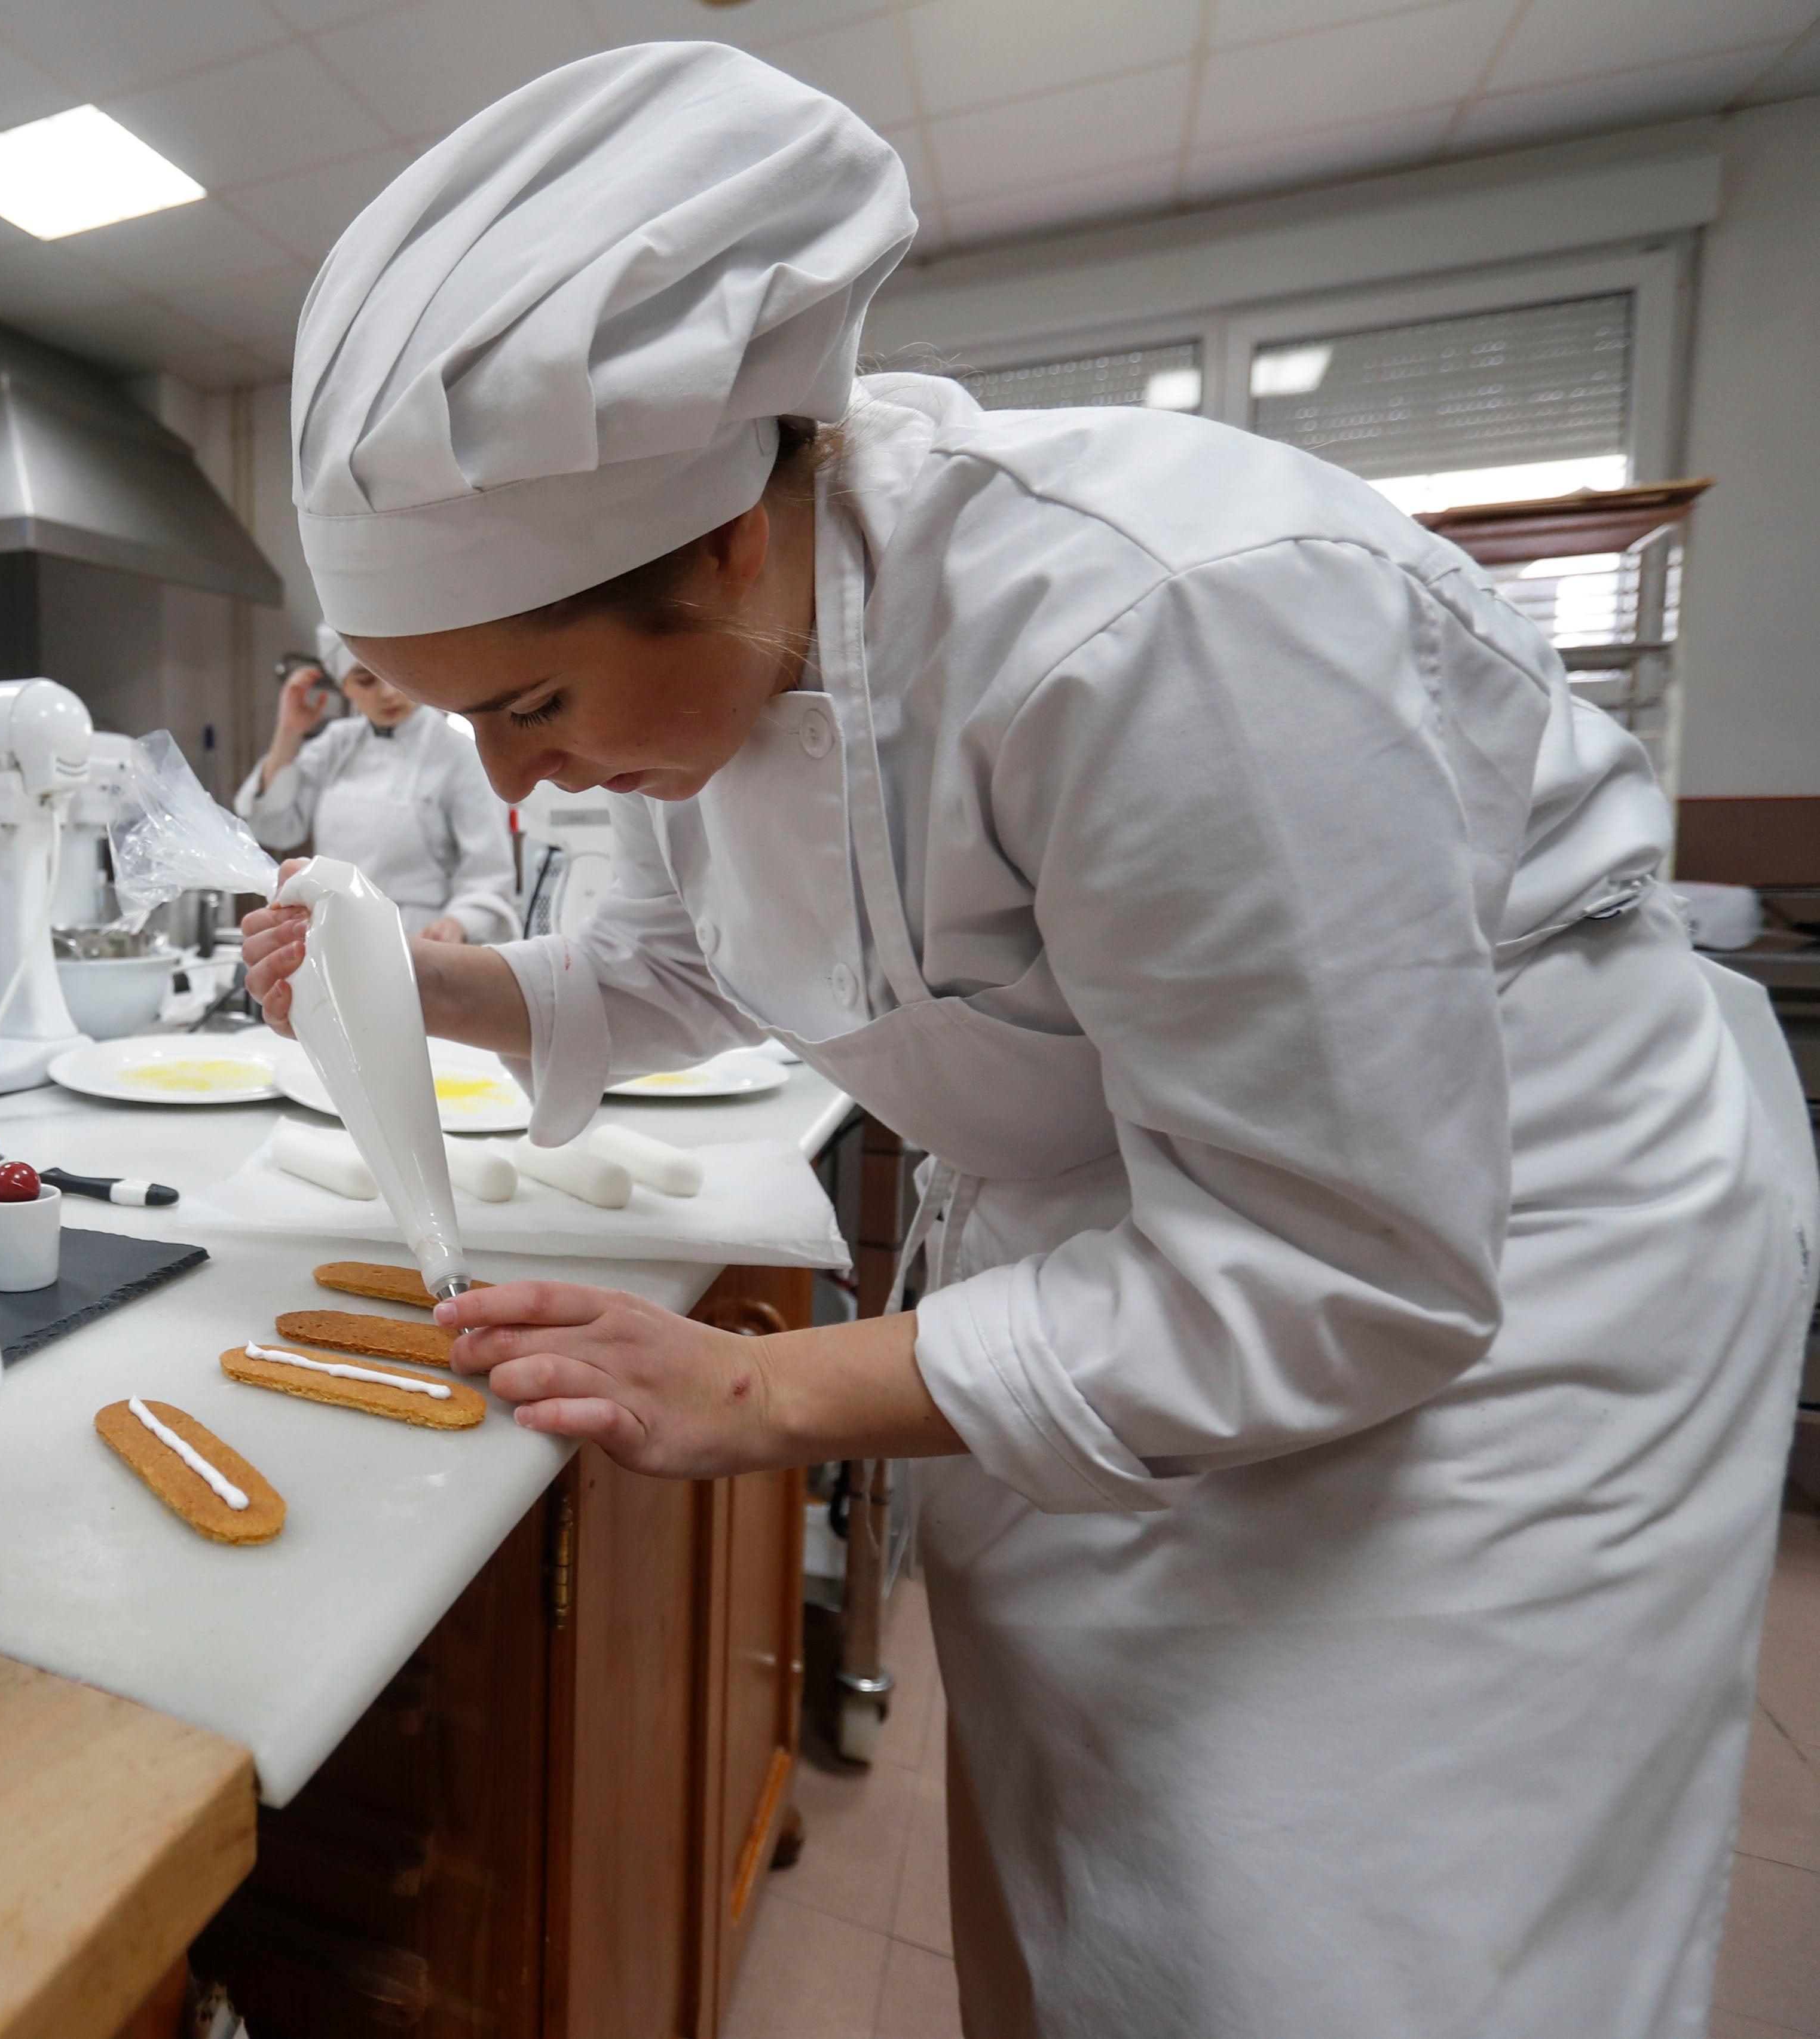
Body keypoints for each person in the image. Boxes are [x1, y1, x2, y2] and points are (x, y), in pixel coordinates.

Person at [242, 44, 1813, 2039]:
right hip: (1115, 1239)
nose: (510, 774)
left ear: (729, 537)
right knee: (1105, 1888)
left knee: (1365, 1945)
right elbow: (708, 966)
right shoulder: (722, 669)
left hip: (1501, 1254)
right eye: (453, 714)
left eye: (532, 699)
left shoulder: (1157, 621)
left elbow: (1345, 1265)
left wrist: (767, 1391)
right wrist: (422, 982)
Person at [237, 623, 517, 944]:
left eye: (397, 674)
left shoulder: (459, 753)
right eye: (366, 680)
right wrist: (289, 732)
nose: (388, 692)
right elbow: (272, 828)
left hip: (421, 942)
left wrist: (459, 922)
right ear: (344, 686)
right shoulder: (336, 745)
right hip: (335, 936)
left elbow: (489, 872)